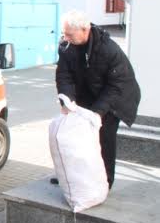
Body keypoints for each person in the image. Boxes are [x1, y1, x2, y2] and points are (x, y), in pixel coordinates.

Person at [55, 10, 140, 189]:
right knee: (77, 135)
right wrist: (67, 101)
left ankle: (105, 182)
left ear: (84, 30)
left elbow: (116, 85)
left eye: (70, 34)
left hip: (114, 98)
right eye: (64, 33)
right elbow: (64, 75)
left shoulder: (108, 49)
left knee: (104, 138)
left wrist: (97, 112)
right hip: (88, 93)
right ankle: (72, 176)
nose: (65, 38)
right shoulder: (66, 46)